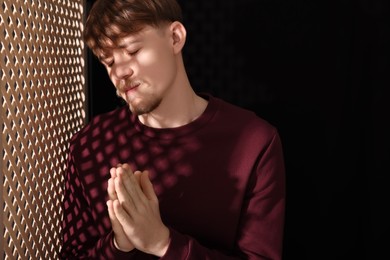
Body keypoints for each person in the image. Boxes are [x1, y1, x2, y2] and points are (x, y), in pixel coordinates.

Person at [60, 0, 286, 259]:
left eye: (132, 50)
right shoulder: (91, 144)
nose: (119, 71)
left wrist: (161, 242)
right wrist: (118, 245)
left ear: (175, 38)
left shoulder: (255, 143)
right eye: (108, 61)